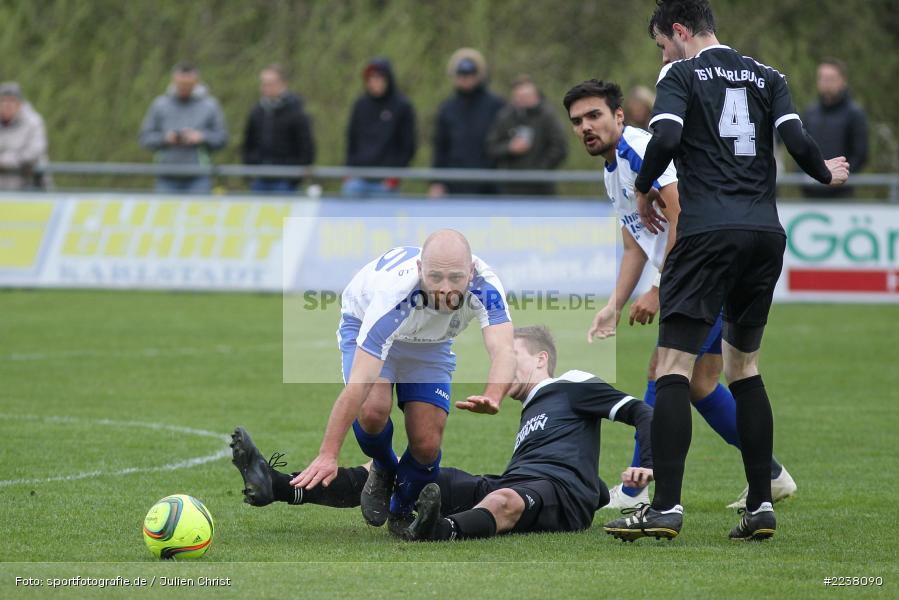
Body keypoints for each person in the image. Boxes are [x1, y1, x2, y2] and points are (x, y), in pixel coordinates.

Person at [604, 0, 848, 542]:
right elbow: (799, 142)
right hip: (765, 234)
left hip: (707, 234)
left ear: (681, 31)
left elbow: (664, 140)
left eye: (662, 42)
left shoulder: (681, 74)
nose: (662, 55)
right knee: (745, 369)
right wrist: (824, 173)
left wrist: (643, 190)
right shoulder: (768, 74)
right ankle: (761, 503)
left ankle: (665, 507)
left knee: (671, 366)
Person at [566, 78, 795, 510]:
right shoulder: (613, 167)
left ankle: (637, 488)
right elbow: (635, 243)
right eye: (578, 121)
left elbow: (681, 213)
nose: (585, 127)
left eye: (594, 116)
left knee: (663, 371)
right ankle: (771, 474)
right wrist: (614, 306)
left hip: (701, 274)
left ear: (618, 115)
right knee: (701, 384)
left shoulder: (638, 147)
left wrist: (658, 287)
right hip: (699, 275)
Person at [230, 325, 655, 541]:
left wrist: (645, 466)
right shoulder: (532, 408)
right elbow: (592, 481)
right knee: (408, 473)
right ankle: (279, 485)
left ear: (541, 359)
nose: (500, 367)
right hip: (522, 483)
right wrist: (602, 491)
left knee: (503, 500)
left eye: (511, 357)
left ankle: (436, 531)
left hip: (557, 494)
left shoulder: (575, 383)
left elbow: (644, 412)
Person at [289, 230, 517, 536]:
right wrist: (329, 453)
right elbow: (358, 385)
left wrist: (493, 394)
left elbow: (503, 349)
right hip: (368, 324)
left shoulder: (486, 287)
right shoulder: (392, 298)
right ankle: (383, 464)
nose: (445, 289)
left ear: (471, 272)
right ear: (420, 268)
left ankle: (401, 508)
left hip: (430, 345)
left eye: (456, 278)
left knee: (426, 443)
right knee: (372, 411)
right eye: (435, 277)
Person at [139, 63, 228, 194]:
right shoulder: (159, 105)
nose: (184, 89)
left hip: (199, 178)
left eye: (188, 85)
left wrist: (202, 137)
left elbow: (222, 138)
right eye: (181, 84)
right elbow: (145, 138)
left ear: (197, 82)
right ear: (173, 81)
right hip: (166, 177)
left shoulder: (210, 106)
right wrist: (166, 138)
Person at [430, 48, 505, 197]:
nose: (465, 79)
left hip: (489, 182)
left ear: (478, 75)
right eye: (461, 74)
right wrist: (436, 182)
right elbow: (440, 146)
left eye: (469, 74)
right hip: (455, 182)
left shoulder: (496, 105)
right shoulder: (447, 108)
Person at [342, 58, 417, 197]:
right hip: (358, 181)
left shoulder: (402, 106)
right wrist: (349, 172)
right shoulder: (360, 105)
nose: (374, 82)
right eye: (370, 78)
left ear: (388, 79)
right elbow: (351, 140)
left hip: (385, 183)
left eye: (378, 77)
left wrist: (395, 177)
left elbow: (408, 146)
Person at [485, 75, 568, 195]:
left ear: (536, 95)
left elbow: (560, 148)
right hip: (510, 188)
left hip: (542, 189)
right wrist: (509, 148)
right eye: (519, 97)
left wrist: (539, 170)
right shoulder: (505, 116)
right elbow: (491, 147)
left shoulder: (548, 116)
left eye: (526, 96)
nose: (523, 100)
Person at [800, 58, 868, 199]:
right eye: (822, 78)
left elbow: (860, 154)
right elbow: (801, 147)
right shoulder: (810, 112)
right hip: (811, 193)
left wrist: (840, 176)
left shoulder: (854, 114)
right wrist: (806, 176)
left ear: (843, 80)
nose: (826, 82)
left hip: (841, 194)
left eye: (830, 78)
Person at [241, 64, 315, 193]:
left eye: (270, 83)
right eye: (263, 83)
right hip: (259, 178)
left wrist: (294, 177)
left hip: (285, 180)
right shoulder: (256, 112)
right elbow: (248, 144)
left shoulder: (296, 112)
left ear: (283, 84)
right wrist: (251, 170)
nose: (265, 87)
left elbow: (306, 147)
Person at [0, 82, 48, 190]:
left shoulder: (33, 122)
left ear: (20, 104)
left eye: (12, 101)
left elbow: (34, 152)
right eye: (3, 101)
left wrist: (7, 161)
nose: (7, 105)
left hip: (28, 186)